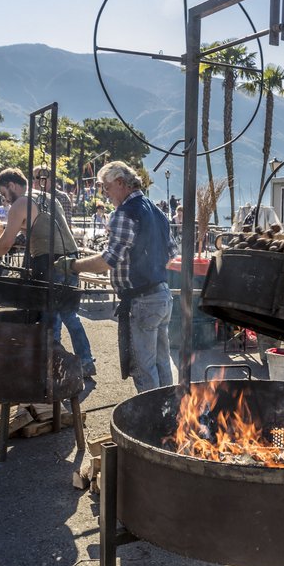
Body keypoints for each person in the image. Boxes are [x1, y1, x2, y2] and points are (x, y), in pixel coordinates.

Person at [57, 161, 178, 393]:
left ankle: (152, 422)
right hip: (162, 296)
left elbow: (107, 262)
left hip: (141, 300)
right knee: (162, 362)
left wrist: (73, 266)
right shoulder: (158, 212)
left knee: (144, 368)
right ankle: (168, 412)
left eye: (106, 187)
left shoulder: (124, 213)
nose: (105, 193)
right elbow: (171, 255)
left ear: (121, 183)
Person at [0, 168, 95, 376]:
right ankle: (85, 361)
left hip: (49, 260)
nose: (5, 199)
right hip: (70, 257)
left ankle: (49, 362)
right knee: (68, 312)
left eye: (4, 193)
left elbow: (6, 242)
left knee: (48, 312)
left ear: (12, 185)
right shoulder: (48, 197)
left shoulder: (20, 203)